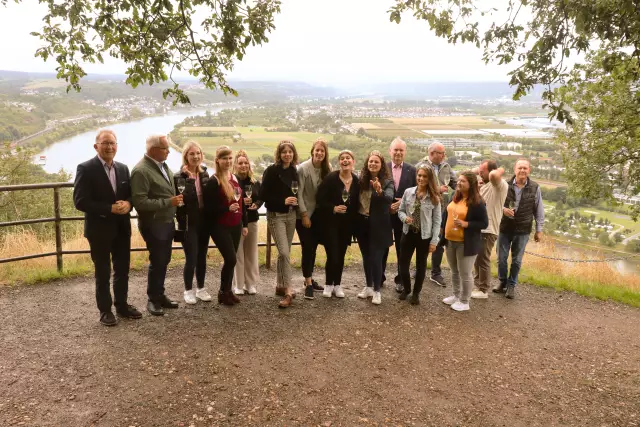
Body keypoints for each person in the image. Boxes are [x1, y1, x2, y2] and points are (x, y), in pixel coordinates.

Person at [73, 129, 141, 326]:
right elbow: (80, 201)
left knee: (122, 269)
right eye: (105, 143)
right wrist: (109, 208)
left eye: (113, 143)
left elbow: (130, 195)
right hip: (99, 230)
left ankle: (122, 305)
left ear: (117, 146)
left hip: (121, 228)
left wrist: (129, 204)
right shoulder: (85, 168)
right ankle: (105, 311)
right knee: (102, 271)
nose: (110, 147)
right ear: (96, 146)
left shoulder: (123, 168)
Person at [131, 134, 183, 316]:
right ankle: (153, 300)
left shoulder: (163, 166)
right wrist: (169, 203)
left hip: (166, 222)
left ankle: (159, 295)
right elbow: (140, 203)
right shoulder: (141, 171)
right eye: (165, 148)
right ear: (153, 150)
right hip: (153, 224)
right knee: (158, 261)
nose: (169, 151)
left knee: (164, 260)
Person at [203, 146, 248, 306]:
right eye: (224, 158)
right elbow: (208, 209)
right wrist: (226, 208)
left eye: (230, 158)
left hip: (235, 224)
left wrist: (244, 223)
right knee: (230, 258)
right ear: (217, 161)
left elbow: (240, 202)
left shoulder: (234, 177)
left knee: (232, 260)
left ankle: (227, 291)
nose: (228, 161)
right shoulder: (213, 181)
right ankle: (223, 292)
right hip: (220, 226)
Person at [495, 159, 544, 299]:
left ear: (529, 170)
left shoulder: (535, 187)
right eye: (520, 167)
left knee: (516, 260)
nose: (522, 170)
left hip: (523, 229)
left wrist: (539, 230)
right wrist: (503, 209)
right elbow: (495, 203)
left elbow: (539, 210)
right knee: (501, 258)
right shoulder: (504, 184)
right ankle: (502, 281)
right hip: (504, 227)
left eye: (525, 168)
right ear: (514, 169)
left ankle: (511, 285)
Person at [439, 172, 488, 311]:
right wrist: (442, 228)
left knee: (465, 273)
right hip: (450, 241)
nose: (459, 183)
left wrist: (466, 224)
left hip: (465, 243)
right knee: (454, 271)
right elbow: (446, 213)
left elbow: (484, 223)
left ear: (471, 184)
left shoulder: (478, 202)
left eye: (463, 181)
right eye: (459, 180)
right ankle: (456, 295)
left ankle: (465, 301)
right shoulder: (455, 196)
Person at [260, 140, 300, 308]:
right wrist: (283, 200)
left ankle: (279, 285)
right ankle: (288, 290)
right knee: (284, 253)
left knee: (284, 252)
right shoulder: (270, 171)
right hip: (276, 216)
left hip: (290, 216)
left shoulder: (293, 171)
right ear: (279, 154)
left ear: (293, 154)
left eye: (290, 152)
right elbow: (263, 196)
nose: (287, 155)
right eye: (284, 152)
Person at [316, 150, 360, 299]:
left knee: (340, 256)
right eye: (342, 158)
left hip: (347, 226)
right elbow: (320, 198)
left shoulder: (357, 181)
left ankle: (338, 285)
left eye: (348, 158)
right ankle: (328, 285)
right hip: (331, 224)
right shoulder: (331, 178)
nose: (345, 160)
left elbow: (358, 204)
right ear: (339, 162)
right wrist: (333, 208)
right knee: (332, 255)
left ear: (353, 162)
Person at [174, 140, 213, 305]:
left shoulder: (205, 174)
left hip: (204, 222)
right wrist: (190, 179)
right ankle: (188, 290)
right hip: (189, 223)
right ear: (186, 156)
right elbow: (185, 200)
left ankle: (201, 288)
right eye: (192, 154)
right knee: (191, 258)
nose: (196, 156)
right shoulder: (178, 177)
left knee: (202, 257)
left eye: (198, 153)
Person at [396, 164, 441, 305]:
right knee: (403, 264)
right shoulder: (408, 192)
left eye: (424, 176)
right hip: (408, 233)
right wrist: (405, 218)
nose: (421, 178)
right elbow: (400, 210)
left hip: (424, 236)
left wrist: (434, 241)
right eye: (419, 175)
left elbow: (437, 221)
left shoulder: (434, 198)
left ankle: (416, 293)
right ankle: (407, 289)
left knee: (421, 266)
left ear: (430, 179)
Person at [356, 150, 395, 305]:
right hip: (362, 224)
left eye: (376, 162)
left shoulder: (387, 181)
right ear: (367, 163)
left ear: (381, 165)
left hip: (379, 226)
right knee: (366, 257)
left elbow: (389, 199)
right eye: (370, 161)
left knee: (376, 258)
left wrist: (379, 190)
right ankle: (368, 287)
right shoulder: (362, 180)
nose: (373, 164)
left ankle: (377, 291)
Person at [296, 138, 331, 299]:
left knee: (314, 247)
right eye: (317, 150)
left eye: (322, 151)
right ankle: (308, 283)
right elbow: (299, 193)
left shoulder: (327, 168)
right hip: (305, 214)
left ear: (325, 154)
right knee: (308, 247)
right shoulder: (303, 168)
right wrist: (303, 215)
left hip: (320, 215)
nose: (319, 153)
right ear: (312, 151)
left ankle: (309, 278)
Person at [470, 160, 508, 299]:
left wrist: (500, 169)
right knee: (476, 258)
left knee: (483, 259)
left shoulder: (500, 185)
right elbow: (471, 172)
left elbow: (493, 175)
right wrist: (480, 172)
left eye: (483, 171)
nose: (480, 174)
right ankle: (478, 285)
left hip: (489, 229)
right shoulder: (484, 185)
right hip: (480, 228)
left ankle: (483, 289)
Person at [421, 142, 456, 287]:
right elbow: (417, 187)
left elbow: (455, 183)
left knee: (439, 241)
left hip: (441, 210)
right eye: (441, 153)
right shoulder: (421, 166)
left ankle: (435, 273)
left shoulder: (446, 167)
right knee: (421, 241)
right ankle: (419, 270)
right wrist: (436, 189)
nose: (444, 156)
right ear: (432, 153)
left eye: (444, 153)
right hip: (424, 209)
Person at [384, 137, 417, 293]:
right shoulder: (382, 168)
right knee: (383, 247)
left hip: (402, 216)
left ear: (405, 152)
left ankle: (401, 280)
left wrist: (401, 204)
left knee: (401, 249)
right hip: (384, 215)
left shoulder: (413, 170)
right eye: (395, 149)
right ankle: (379, 277)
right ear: (390, 151)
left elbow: (417, 194)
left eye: (401, 150)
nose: (398, 152)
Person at [232, 150, 263, 296]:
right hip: (236, 221)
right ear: (235, 165)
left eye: (246, 163)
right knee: (238, 253)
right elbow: (228, 199)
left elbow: (261, 197)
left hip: (252, 220)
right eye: (240, 163)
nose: (243, 165)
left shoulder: (254, 181)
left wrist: (256, 204)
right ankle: (238, 284)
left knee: (251, 253)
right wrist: (240, 202)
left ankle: (250, 283)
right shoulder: (232, 181)